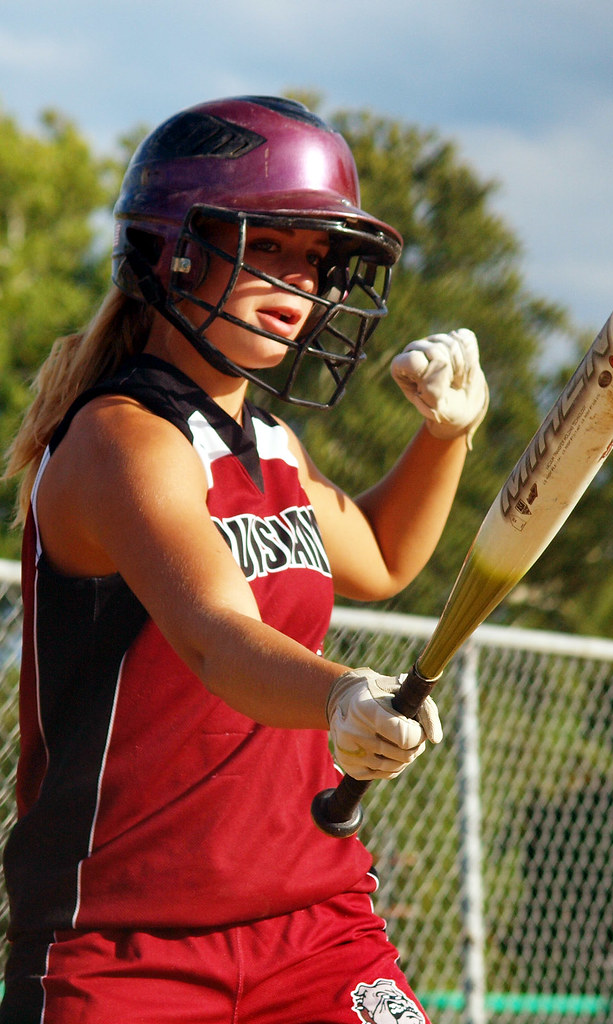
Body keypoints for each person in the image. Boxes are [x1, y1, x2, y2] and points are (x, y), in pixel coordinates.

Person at [0, 96, 489, 1024]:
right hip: (130, 946)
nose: (298, 286)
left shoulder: (266, 442)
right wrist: (343, 694)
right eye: (266, 247)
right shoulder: (122, 439)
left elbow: (383, 558)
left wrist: (445, 437)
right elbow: (220, 639)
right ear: (171, 248)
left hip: (315, 925)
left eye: (313, 262)